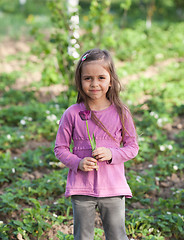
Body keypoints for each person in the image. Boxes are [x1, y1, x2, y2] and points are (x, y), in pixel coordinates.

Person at [54, 48, 139, 240]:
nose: (94, 84)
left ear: (111, 80)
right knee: (83, 236)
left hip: (113, 187)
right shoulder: (72, 113)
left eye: (101, 77)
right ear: (79, 80)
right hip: (81, 188)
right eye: (87, 78)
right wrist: (77, 163)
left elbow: (132, 147)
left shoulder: (121, 112)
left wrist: (112, 154)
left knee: (117, 235)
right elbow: (60, 148)